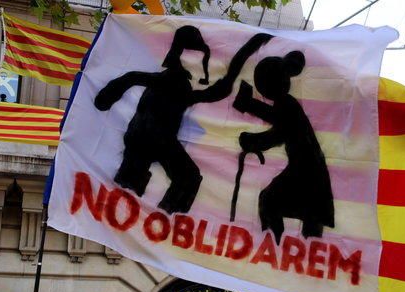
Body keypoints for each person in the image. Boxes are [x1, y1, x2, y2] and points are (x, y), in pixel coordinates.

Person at [95, 26, 272, 214]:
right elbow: (133, 78)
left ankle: (155, 213)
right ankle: (166, 214)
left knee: (141, 177)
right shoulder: (172, 80)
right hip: (154, 139)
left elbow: (132, 78)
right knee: (186, 177)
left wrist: (107, 98)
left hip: (145, 138)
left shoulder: (173, 82)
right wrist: (106, 97)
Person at [233, 51, 335, 244]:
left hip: (305, 170)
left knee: (269, 201)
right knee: (310, 218)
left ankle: (274, 244)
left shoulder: (287, 104)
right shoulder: (286, 104)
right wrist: (249, 104)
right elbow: (275, 117)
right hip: (309, 169)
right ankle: (286, 250)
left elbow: (278, 134)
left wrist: (252, 140)